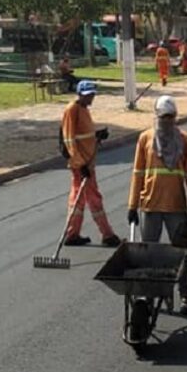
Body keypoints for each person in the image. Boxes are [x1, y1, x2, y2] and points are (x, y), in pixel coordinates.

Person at [127, 96, 187, 315]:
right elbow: (137, 174)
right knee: (148, 254)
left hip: (176, 206)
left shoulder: (185, 139)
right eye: (163, 117)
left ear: (175, 117)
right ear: (156, 116)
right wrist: (132, 206)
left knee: (181, 253)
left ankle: (185, 296)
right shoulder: (145, 139)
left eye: (170, 117)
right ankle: (147, 295)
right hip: (150, 205)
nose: (166, 121)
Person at [61, 80, 119, 247]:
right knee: (94, 199)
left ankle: (72, 234)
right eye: (88, 96)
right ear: (80, 94)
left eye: (92, 95)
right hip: (81, 165)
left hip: (88, 162)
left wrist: (97, 136)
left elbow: (84, 135)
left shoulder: (84, 110)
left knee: (78, 200)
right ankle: (107, 234)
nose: (91, 98)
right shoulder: (72, 109)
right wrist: (80, 164)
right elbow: (69, 140)